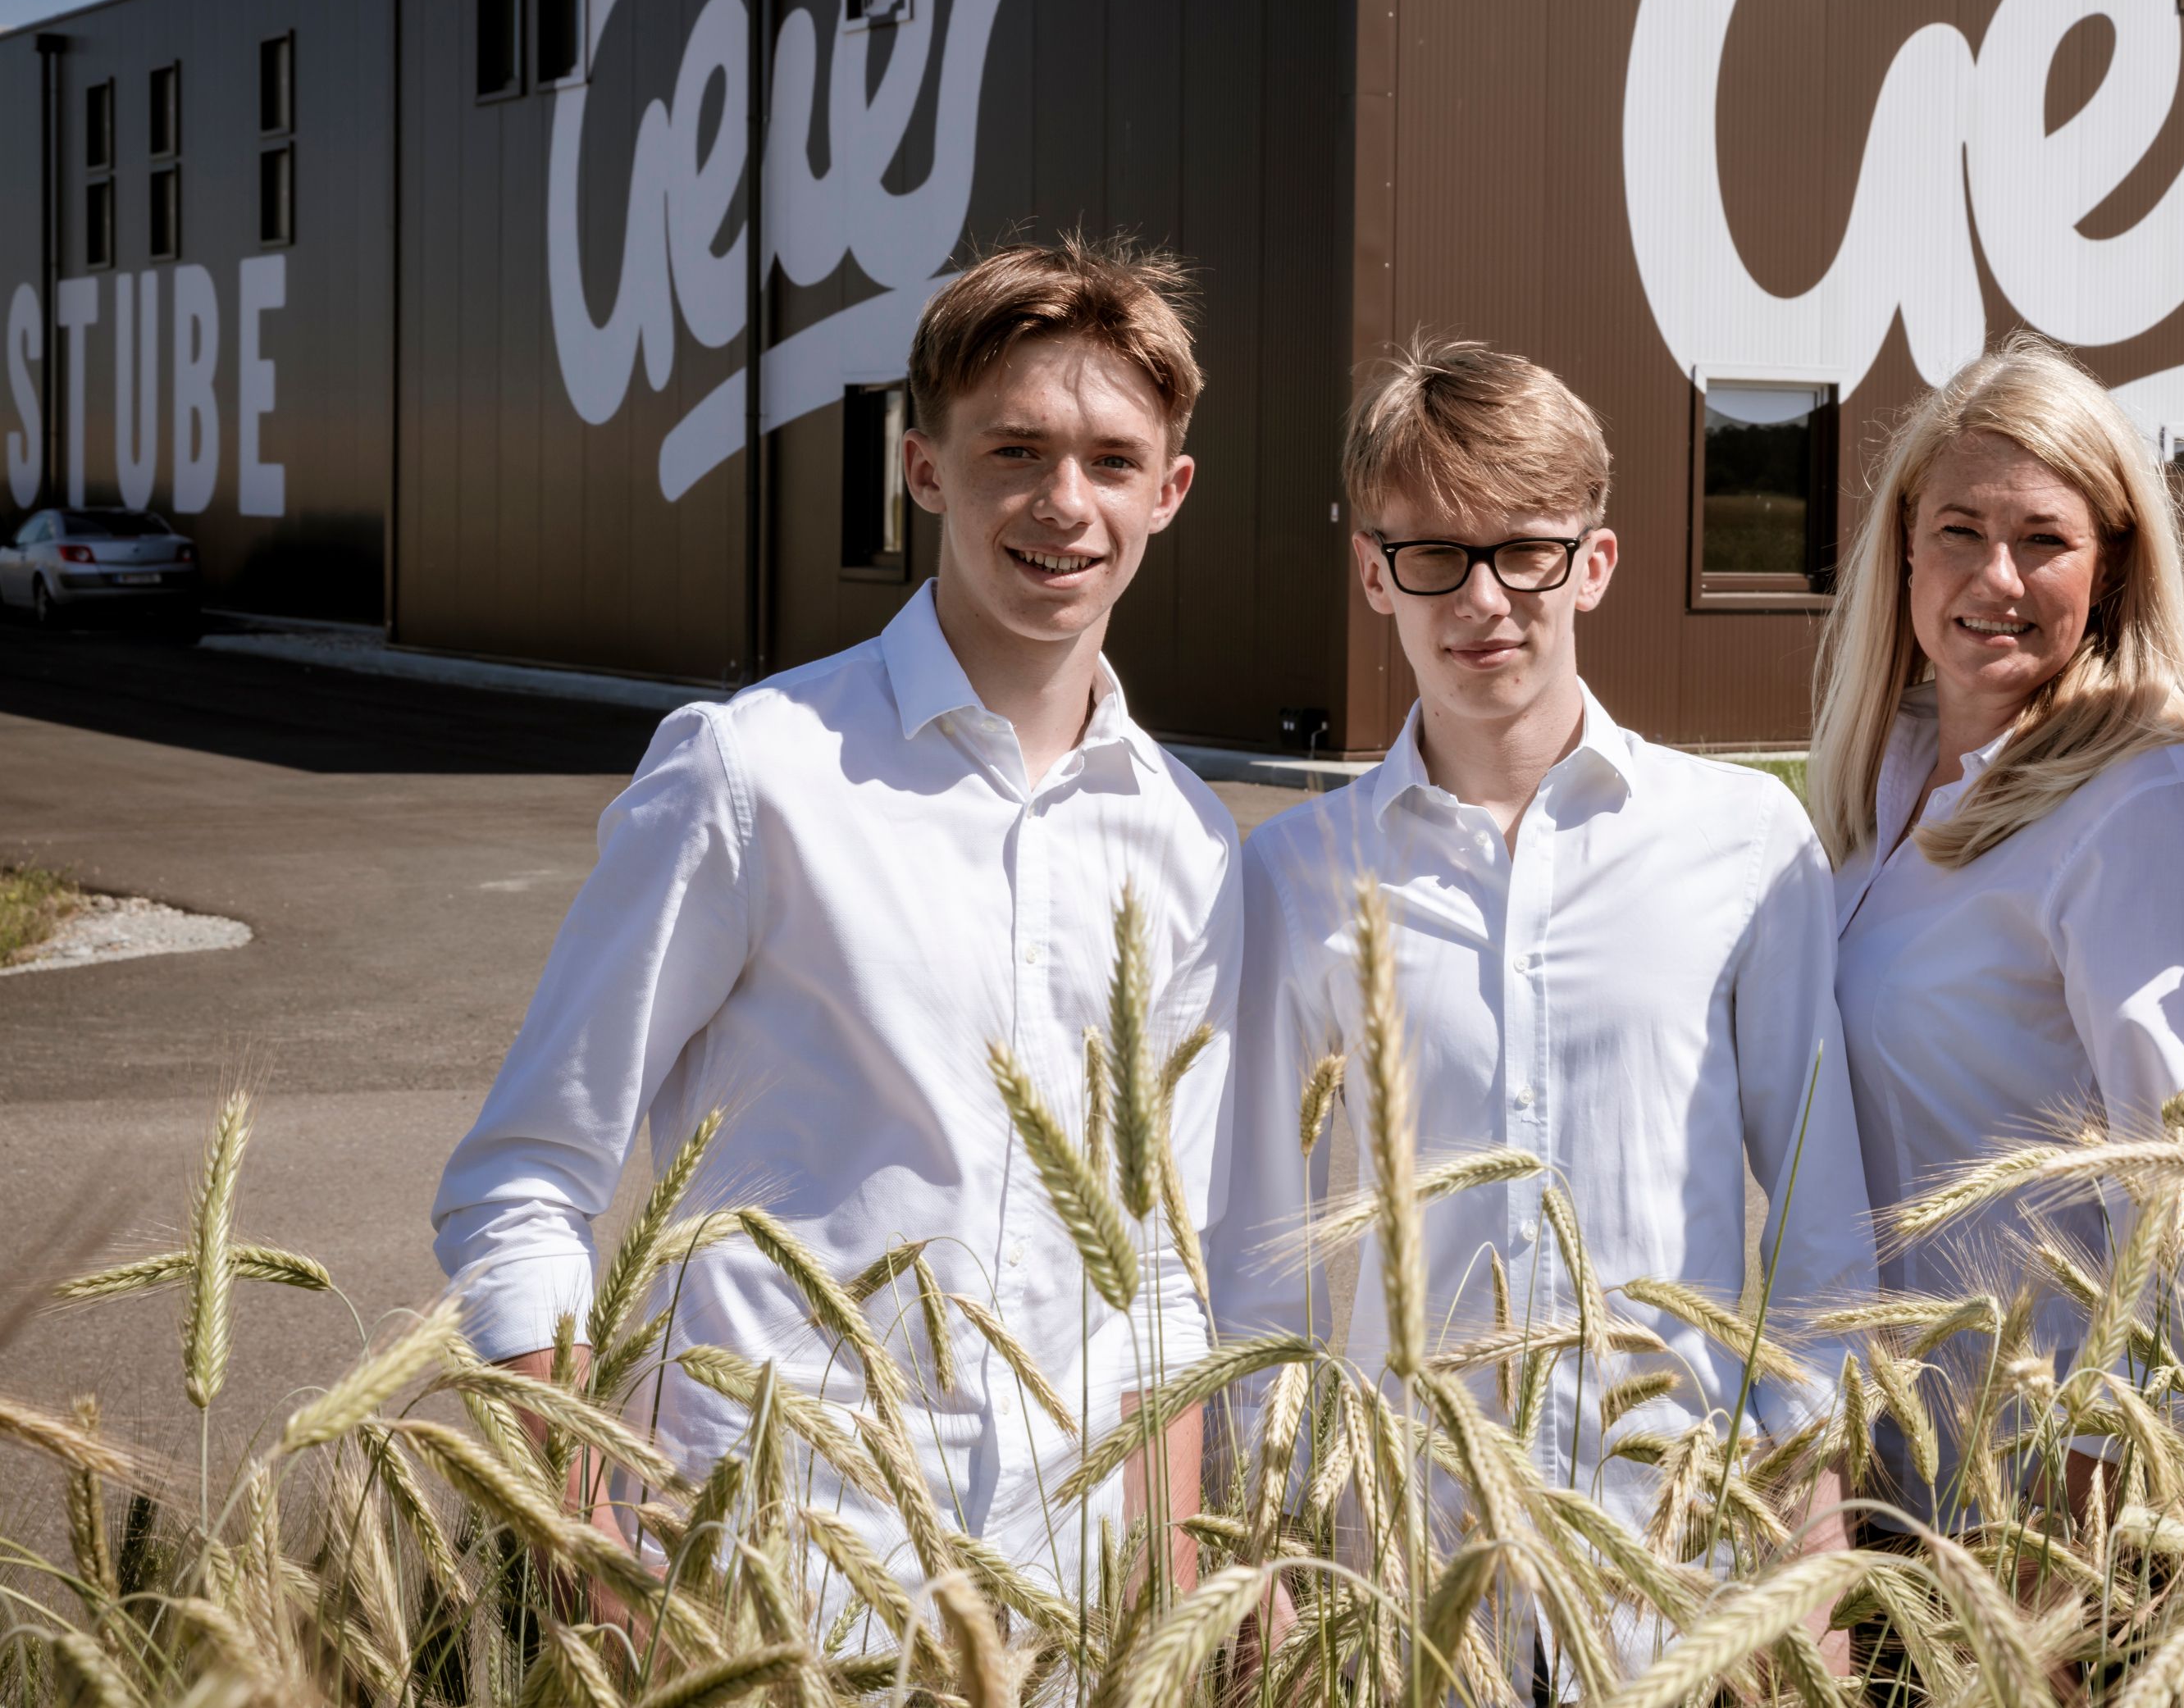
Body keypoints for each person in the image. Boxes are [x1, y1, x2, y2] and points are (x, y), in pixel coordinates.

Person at [431, 234, 1237, 1598]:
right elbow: (520, 1186)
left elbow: (1161, 1275)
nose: (1065, 503)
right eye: (1012, 451)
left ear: (1170, 491)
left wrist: (1169, 1595)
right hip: (775, 1593)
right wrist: (592, 1551)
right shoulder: (754, 773)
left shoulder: (1194, 844)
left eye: (1110, 462)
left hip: (1072, 1614)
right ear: (923, 467)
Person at [1213, 338, 1874, 1680]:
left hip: (1677, 1567)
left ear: (1596, 563)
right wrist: (1253, 1558)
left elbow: (1818, 1232)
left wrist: (1813, 1548)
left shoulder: (1745, 842)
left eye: (1526, 548)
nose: (1484, 598)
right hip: (1404, 1578)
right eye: (1432, 554)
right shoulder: (1295, 875)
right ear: (1373, 572)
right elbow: (1256, 1254)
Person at [1808, 333, 2184, 1519]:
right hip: (1893, 1484)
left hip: (2040, 1512)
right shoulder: (1888, 774)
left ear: (2112, 567)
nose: (1996, 577)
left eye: (2045, 539)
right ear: (1905, 545)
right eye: (1960, 530)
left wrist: (2080, 1542)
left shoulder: (2145, 806)